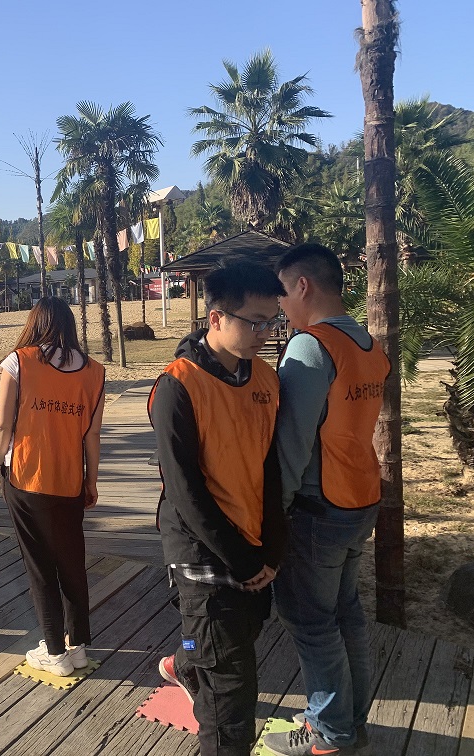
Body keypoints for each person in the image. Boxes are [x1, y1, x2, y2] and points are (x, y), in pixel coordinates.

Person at [148, 262, 287, 756]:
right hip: (203, 552)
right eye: (255, 322)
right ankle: (197, 663)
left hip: (253, 545)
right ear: (216, 318)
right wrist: (243, 560)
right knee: (231, 705)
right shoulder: (177, 387)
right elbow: (185, 492)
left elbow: (271, 467)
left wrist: (271, 548)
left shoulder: (265, 378)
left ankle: (188, 661)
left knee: (231, 640)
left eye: (273, 320)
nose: (265, 333)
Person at [262, 244, 389, 756]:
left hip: (318, 507)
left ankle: (329, 732)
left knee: (312, 622)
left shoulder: (311, 347)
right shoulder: (367, 344)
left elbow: (291, 443)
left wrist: (274, 512)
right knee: (345, 613)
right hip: (361, 496)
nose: (279, 305)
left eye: (281, 293)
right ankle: (349, 720)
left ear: (303, 286)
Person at [0, 296, 106, 677]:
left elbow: (2, 425)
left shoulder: (18, 361)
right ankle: (78, 645)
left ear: (34, 323)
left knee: (40, 565)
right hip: (69, 479)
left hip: (27, 477)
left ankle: (55, 651)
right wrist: (91, 479)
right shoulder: (94, 371)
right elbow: (92, 435)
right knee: (72, 562)